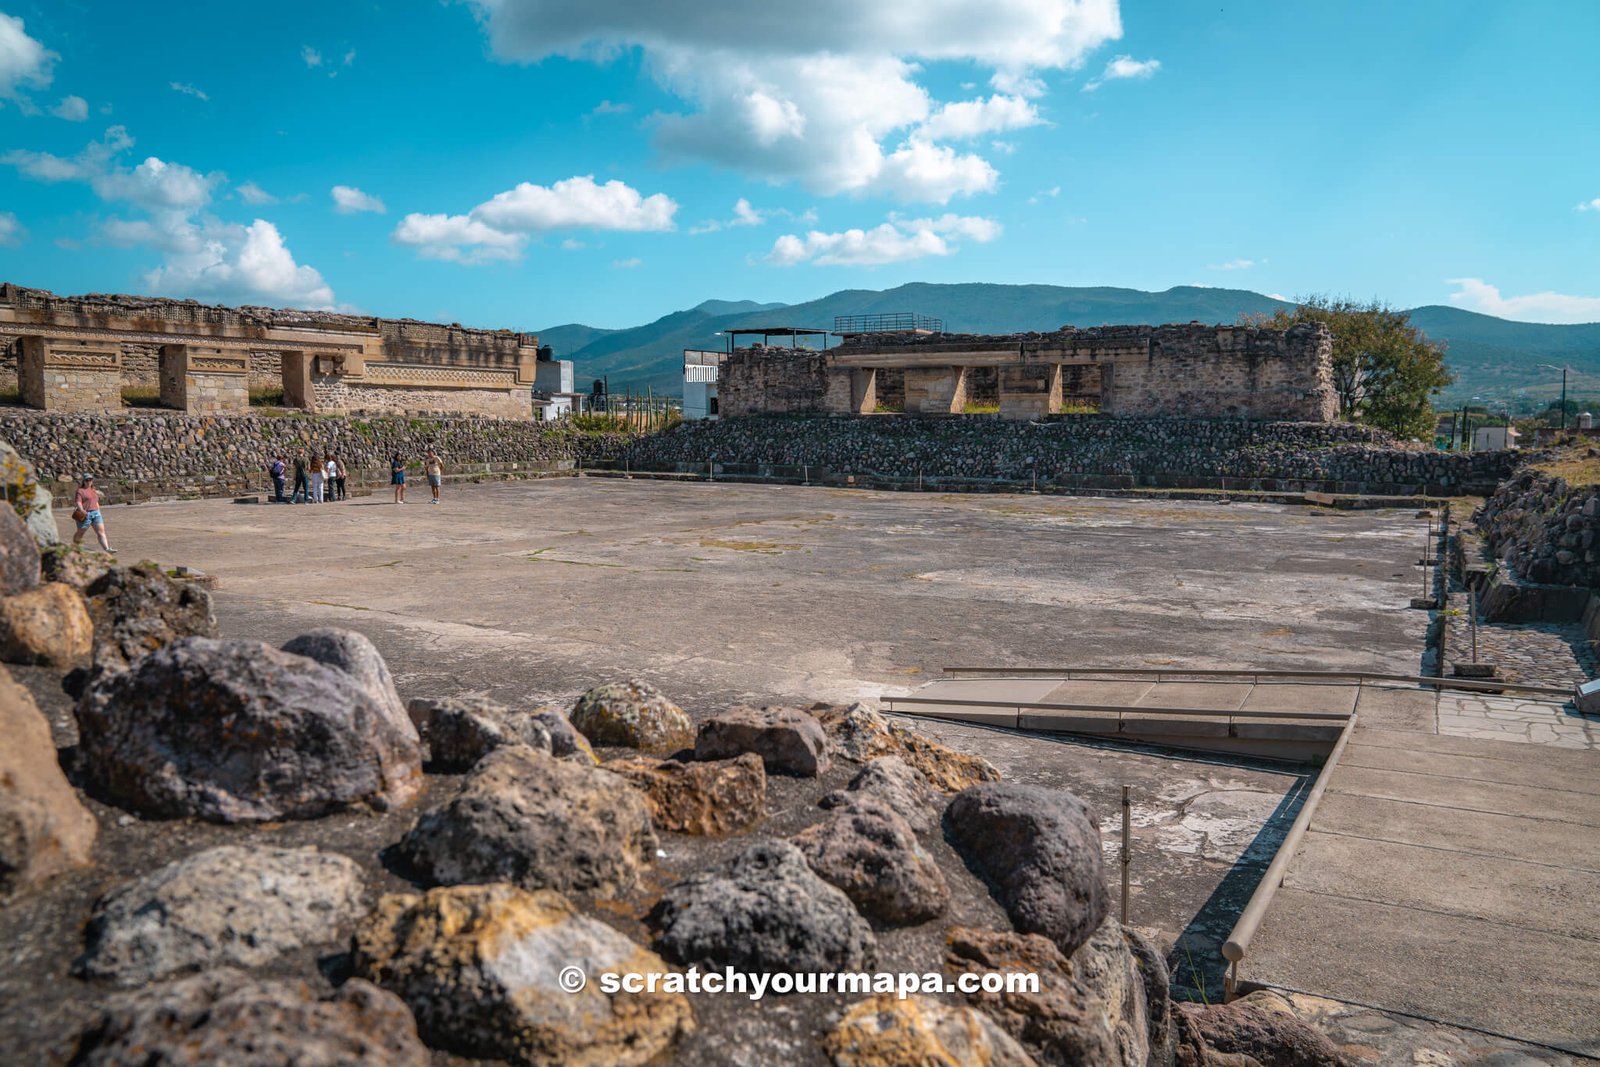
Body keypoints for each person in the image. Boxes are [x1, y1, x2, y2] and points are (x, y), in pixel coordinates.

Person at [72, 475, 113, 553]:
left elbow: (96, 502)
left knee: (101, 532)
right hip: (85, 514)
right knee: (80, 532)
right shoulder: (80, 491)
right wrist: (82, 510)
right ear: (83, 481)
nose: (89, 482)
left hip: (96, 513)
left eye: (90, 480)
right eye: (87, 480)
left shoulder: (93, 490)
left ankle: (107, 549)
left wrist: (99, 512)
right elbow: (78, 502)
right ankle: (75, 546)